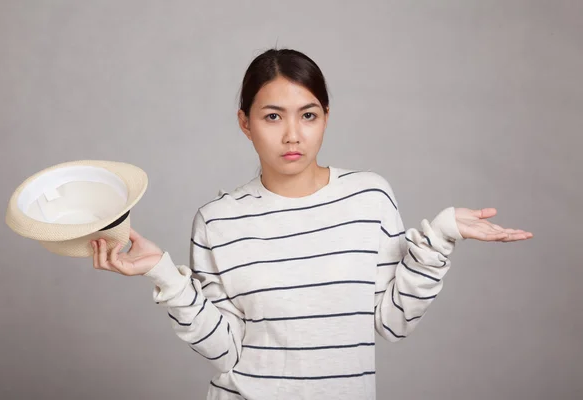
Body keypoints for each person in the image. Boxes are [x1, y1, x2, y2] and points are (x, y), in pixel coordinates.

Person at [90, 48, 533, 399]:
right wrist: (164, 274)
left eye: (308, 115)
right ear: (245, 123)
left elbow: (394, 321)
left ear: (325, 117)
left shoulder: (369, 197)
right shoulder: (218, 221)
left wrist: (440, 236)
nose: (292, 135)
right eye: (271, 116)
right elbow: (224, 350)